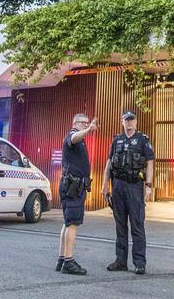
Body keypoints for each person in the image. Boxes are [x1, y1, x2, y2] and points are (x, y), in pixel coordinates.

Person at [101, 110, 154, 275]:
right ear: (122, 122)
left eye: (132, 120)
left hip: (134, 186)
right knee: (120, 225)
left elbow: (150, 163)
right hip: (118, 186)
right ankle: (120, 261)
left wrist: (149, 185)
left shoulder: (142, 140)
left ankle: (139, 263)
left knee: (137, 225)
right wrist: (104, 185)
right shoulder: (116, 140)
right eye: (126, 120)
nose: (129, 123)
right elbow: (109, 163)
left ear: (136, 122)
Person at [57, 113, 98, 275]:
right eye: (83, 122)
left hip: (74, 186)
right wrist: (88, 129)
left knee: (67, 223)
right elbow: (74, 137)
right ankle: (69, 261)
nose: (86, 125)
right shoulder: (72, 136)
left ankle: (62, 258)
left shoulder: (81, 140)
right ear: (74, 123)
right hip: (72, 187)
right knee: (73, 223)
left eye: (87, 122)